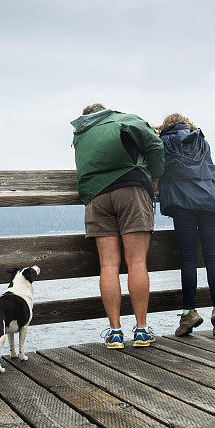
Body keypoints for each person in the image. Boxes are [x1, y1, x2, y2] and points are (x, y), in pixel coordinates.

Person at [71, 103, 164, 348]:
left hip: (96, 197)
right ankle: (141, 331)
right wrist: (154, 178)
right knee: (136, 262)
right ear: (104, 111)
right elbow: (155, 145)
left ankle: (114, 332)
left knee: (108, 265)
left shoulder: (80, 134)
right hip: (131, 190)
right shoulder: (123, 119)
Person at [157, 113, 215, 337]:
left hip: (183, 203)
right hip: (210, 202)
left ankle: (189, 312)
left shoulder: (164, 142)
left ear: (165, 127)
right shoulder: (201, 141)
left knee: (188, 257)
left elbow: (158, 170)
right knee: (213, 256)